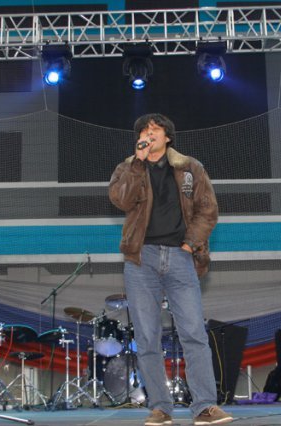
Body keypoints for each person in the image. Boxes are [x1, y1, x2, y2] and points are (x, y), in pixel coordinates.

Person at [109, 113, 232, 426]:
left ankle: (204, 406)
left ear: (167, 137)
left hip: (180, 256)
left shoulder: (190, 167)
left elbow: (208, 211)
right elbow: (121, 200)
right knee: (147, 337)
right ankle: (160, 408)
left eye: (155, 129)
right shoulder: (128, 167)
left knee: (193, 333)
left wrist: (190, 245)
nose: (149, 134)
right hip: (141, 260)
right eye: (144, 130)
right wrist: (137, 164)